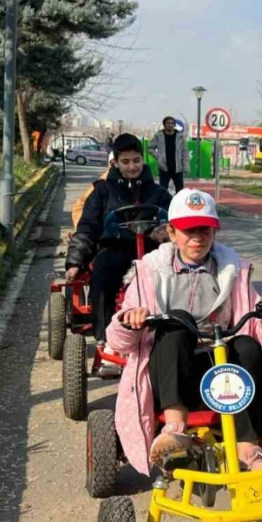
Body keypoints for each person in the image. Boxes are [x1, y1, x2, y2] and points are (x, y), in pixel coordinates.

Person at [106, 189, 262, 474]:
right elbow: (117, 339)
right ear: (171, 232)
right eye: (188, 231)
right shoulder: (149, 272)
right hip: (169, 370)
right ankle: (175, 428)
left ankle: (248, 446)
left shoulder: (231, 271)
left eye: (204, 230)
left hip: (218, 372)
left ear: (214, 232)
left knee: (246, 345)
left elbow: (254, 321)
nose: (197, 238)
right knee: (177, 322)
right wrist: (129, 320)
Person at [66, 134, 173, 359]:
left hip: (153, 250)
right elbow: (88, 226)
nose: (132, 166)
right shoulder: (102, 191)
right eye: (125, 162)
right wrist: (75, 260)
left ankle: (167, 332)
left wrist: (165, 232)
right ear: (115, 163)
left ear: (143, 160)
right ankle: (106, 338)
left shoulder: (159, 193)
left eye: (136, 160)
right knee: (103, 272)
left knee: (171, 273)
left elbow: (175, 225)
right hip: (115, 248)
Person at [150, 116, 188, 193]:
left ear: (174, 125)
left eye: (172, 123)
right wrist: (158, 157)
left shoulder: (180, 136)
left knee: (180, 189)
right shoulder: (159, 135)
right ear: (164, 124)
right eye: (168, 123)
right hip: (164, 167)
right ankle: (163, 204)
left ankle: (178, 204)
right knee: (162, 189)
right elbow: (150, 148)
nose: (170, 125)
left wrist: (186, 165)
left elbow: (185, 151)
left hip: (177, 167)